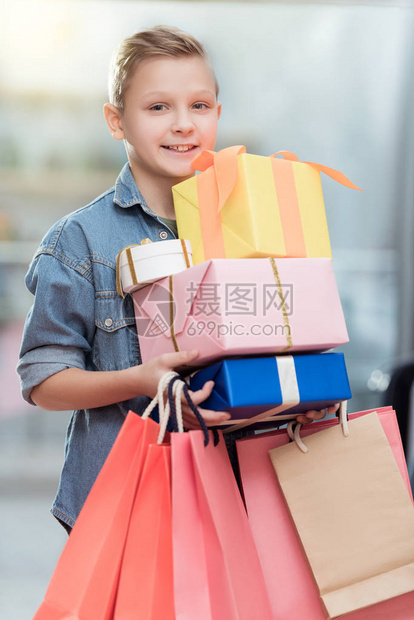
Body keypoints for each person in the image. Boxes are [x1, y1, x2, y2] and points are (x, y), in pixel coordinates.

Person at [17, 25, 332, 533]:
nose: (184, 125)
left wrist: (301, 396)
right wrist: (142, 383)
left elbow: (280, 343)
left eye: (200, 106)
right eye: (158, 107)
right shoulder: (80, 239)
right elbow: (43, 380)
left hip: (241, 497)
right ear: (116, 121)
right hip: (126, 506)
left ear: (218, 115)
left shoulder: (251, 222)